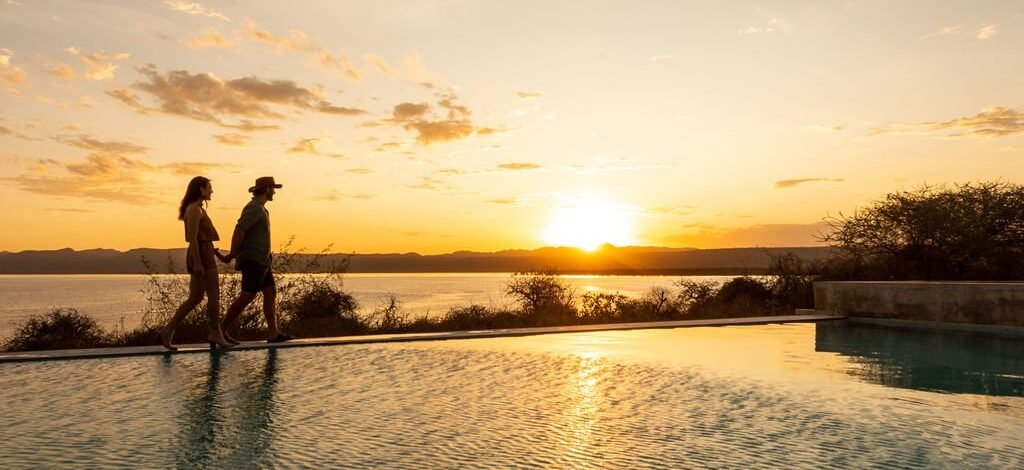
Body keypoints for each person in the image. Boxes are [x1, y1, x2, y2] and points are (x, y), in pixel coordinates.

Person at [158, 176, 235, 351]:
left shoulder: (198, 209)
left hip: (204, 252)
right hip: (201, 255)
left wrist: (212, 253)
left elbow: (199, 237)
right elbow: (192, 238)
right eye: (209, 188)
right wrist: (199, 263)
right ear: (201, 189)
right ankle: (215, 332)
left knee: (195, 298)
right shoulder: (194, 210)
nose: (212, 191)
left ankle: (168, 330)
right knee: (214, 294)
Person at [220, 176, 294, 343]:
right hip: (253, 260)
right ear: (267, 189)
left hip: (263, 260)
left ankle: (273, 333)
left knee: (270, 292)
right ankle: (221, 330)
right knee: (247, 295)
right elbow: (239, 230)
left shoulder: (261, 209)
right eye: (273, 188)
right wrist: (232, 254)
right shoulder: (254, 208)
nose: (274, 192)